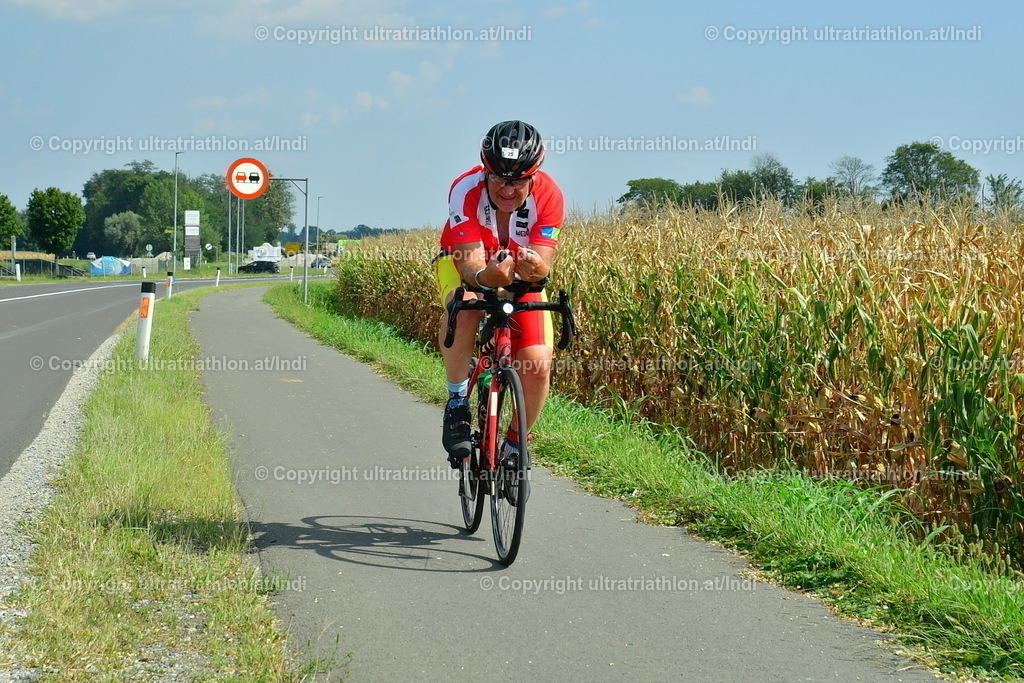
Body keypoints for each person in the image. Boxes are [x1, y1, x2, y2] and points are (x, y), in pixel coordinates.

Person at [434, 120, 564, 469]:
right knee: (466, 309)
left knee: (537, 363)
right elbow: (469, 267)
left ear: (534, 174)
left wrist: (538, 272)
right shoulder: (465, 189)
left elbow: (542, 266)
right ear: (485, 170)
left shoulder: (550, 195)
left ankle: (515, 442)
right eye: (498, 179)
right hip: (464, 261)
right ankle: (457, 401)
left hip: (518, 275)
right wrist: (486, 276)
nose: (508, 189)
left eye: (519, 180)